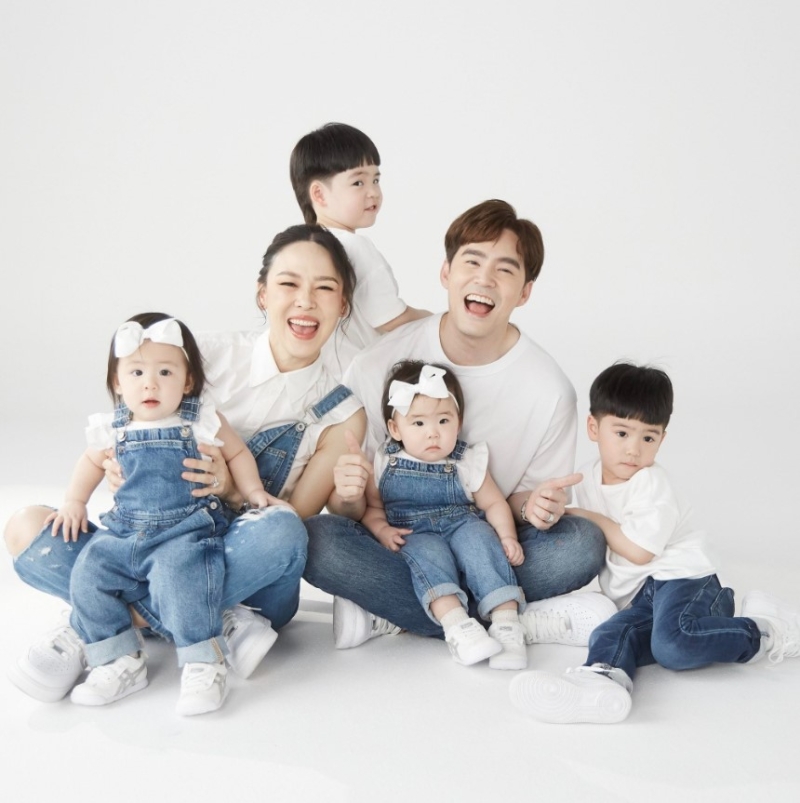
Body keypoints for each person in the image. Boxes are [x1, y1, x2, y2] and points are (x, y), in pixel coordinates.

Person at [5, 224, 365, 705]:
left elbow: (295, 515)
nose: (305, 301)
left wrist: (232, 489)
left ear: (343, 304)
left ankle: (96, 626)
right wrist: (114, 464)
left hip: (242, 567)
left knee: (283, 530)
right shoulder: (203, 354)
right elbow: (131, 412)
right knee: (26, 527)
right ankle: (206, 622)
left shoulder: (343, 412)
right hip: (144, 543)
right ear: (263, 294)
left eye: (324, 288)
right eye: (288, 284)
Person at [304, 199, 616, 651]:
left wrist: (535, 508)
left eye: (505, 270)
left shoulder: (550, 390)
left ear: (525, 292)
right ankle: (511, 617)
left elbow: (519, 506)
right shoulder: (377, 364)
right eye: (472, 261)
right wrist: (347, 496)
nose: (485, 280)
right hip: (403, 539)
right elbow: (351, 510)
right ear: (446, 272)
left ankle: (400, 611)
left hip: (485, 537)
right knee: (316, 540)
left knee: (582, 542)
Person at [509, 362, 800, 724]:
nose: (633, 450)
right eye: (622, 433)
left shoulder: (652, 483)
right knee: (612, 632)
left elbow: (639, 551)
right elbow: (534, 503)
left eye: (648, 438)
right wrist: (539, 505)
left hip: (684, 579)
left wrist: (586, 515)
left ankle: (766, 629)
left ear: (662, 439)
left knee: (674, 644)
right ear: (593, 428)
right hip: (639, 597)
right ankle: (601, 682)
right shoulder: (586, 477)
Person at [45, 312, 280, 715]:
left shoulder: (200, 419)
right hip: (124, 532)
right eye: (136, 372)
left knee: (181, 580)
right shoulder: (112, 427)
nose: (150, 383)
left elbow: (237, 453)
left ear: (187, 382)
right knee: (88, 572)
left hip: (184, 530)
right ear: (117, 382)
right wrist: (75, 502)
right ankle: (118, 660)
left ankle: (203, 661)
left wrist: (253, 490)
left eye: (165, 372)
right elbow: (89, 462)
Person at [361, 360, 527, 669]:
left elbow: (494, 504)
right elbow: (373, 508)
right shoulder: (383, 461)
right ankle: (459, 628)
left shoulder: (467, 460)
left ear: (458, 422)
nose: (433, 434)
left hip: (462, 523)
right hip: (413, 531)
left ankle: (507, 624)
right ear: (395, 429)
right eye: (418, 424)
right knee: (430, 559)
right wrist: (382, 529)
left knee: (482, 542)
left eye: (443, 421)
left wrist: (507, 537)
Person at [290, 122, 429, 373]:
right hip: (360, 380)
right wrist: (437, 319)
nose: (373, 192)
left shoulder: (298, 249)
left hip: (316, 376)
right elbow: (391, 319)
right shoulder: (355, 247)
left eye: (375, 180)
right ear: (319, 195)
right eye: (358, 183)